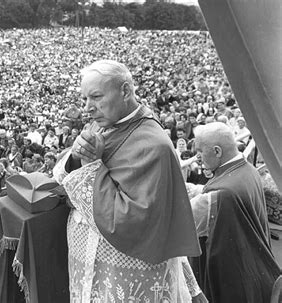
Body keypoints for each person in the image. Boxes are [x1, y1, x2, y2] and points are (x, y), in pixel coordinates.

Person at [53, 60, 202, 302]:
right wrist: (75, 156)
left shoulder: (155, 145)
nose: (88, 108)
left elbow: (129, 219)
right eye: (85, 100)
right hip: (88, 261)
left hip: (123, 270)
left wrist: (91, 165)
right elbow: (64, 173)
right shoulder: (101, 123)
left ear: (124, 91)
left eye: (96, 97)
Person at [191, 122, 280, 302]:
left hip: (232, 283)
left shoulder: (219, 195)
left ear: (217, 151)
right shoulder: (249, 170)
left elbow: (182, 221)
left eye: (200, 151)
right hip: (256, 273)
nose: (197, 157)